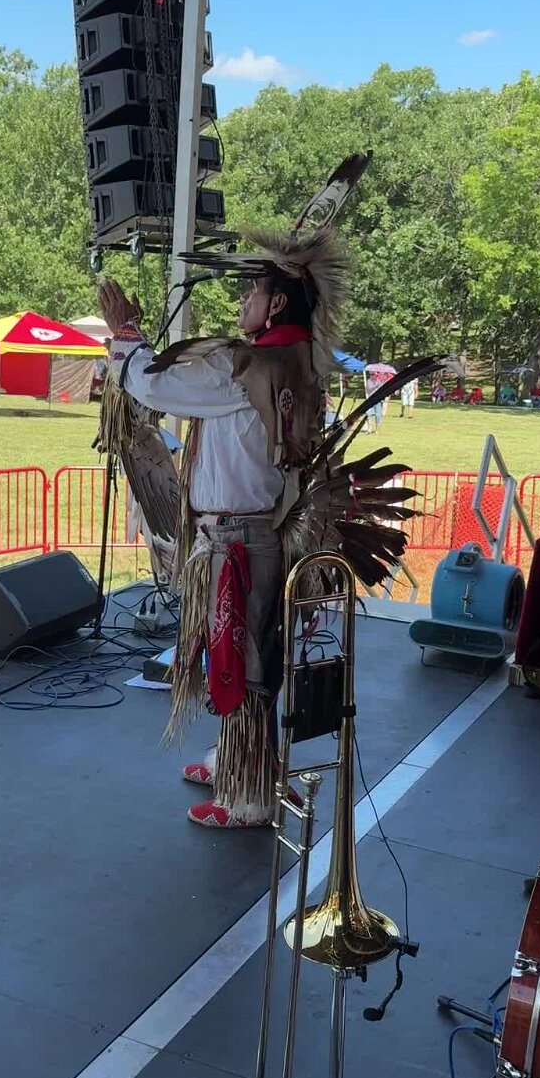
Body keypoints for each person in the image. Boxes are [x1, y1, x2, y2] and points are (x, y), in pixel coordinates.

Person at [98, 225, 349, 829]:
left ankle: (251, 797)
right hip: (259, 532)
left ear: (277, 302)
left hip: (239, 536)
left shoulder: (247, 368)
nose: (242, 303)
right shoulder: (297, 363)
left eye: (251, 293)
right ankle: (238, 762)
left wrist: (126, 335)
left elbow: (157, 385)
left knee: (245, 661)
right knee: (243, 653)